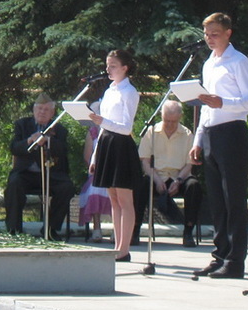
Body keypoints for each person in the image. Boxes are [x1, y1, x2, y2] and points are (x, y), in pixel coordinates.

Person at [189, 12, 248, 279]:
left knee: (234, 199)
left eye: (214, 33)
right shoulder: (209, 63)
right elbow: (206, 106)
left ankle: (235, 260)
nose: (209, 38)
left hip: (232, 133)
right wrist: (198, 139)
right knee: (217, 200)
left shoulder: (239, 62)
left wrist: (225, 103)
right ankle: (219, 254)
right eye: (206, 34)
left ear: (228, 33)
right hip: (211, 133)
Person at [89, 50, 142, 262]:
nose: (108, 70)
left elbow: (127, 127)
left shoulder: (129, 92)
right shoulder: (110, 91)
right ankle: (117, 245)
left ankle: (124, 248)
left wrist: (103, 122)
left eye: (112, 66)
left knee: (124, 199)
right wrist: (95, 155)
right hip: (106, 143)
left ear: (124, 68)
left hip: (121, 145)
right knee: (113, 199)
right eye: (107, 65)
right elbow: (103, 127)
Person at [5, 93, 76, 239]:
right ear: (34, 110)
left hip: (51, 173)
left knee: (67, 187)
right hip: (26, 173)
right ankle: (14, 229)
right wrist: (30, 140)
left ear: (52, 113)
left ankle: (50, 229)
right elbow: (14, 148)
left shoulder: (59, 129)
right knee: (14, 183)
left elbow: (62, 151)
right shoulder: (22, 125)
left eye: (46, 110)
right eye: (39, 109)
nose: (42, 112)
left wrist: (48, 140)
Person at [133, 99, 202, 247]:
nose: (170, 124)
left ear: (180, 118)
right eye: (166, 120)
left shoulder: (187, 134)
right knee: (140, 185)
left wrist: (178, 181)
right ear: (161, 116)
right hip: (156, 175)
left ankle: (188, 231)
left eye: (173, 121)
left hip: (179, 176)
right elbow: (145, 162)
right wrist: (157, 180)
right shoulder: (151, 132)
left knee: (194, 186)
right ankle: (135, 229)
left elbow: (189, 164)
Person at [78, 121, 112, 241]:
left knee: (117, 189)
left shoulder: (117, 131)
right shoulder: (92, 133)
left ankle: (116, 229)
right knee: (95, 188)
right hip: (96, 173)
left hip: (113, 173)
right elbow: (87, 158)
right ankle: (97, 227)